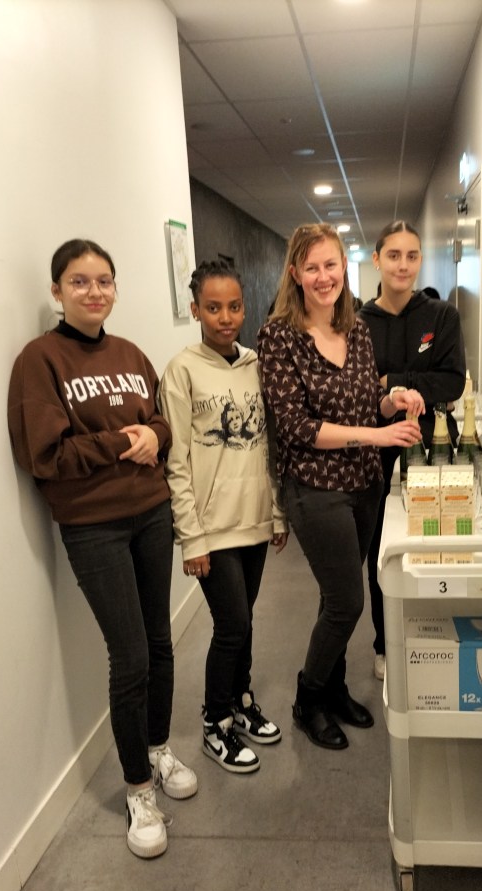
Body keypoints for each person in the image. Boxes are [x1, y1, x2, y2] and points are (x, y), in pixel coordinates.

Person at [7, 239, 196, 861]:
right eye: (80, 281)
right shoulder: (40, 360)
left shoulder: (130, 353)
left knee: (160, 641)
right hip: (94, 526)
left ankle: (159, 748)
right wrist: (121, 442)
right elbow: (44, 455)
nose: (95, 292)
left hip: (151, 512)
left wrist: (153, 434)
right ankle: (138, 789)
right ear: (56, 290)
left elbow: (162, 423)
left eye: (104, 281)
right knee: (131, 655)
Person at [257, 223, 424, 751]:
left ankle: (334, 688)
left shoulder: (357, 330)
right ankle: (308, 699)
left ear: (344, 267)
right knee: (347, 601)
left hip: (363, 484)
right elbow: (296, 426)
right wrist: (376, 435)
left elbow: (366, 401)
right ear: (295, 274)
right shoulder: (278, 337)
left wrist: (393, 401)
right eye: (312, 267)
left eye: (331, 265)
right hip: (315, 487)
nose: (323, 276)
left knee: (337, 594)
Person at [159, 260, 288, 774]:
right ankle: (215, 722)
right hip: (212, 528)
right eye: (213, 308)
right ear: (195, 310)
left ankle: (241, 700)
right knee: (232, 625)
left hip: (253, 517)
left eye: (234, 306)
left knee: (245, 620)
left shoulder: (256, 364)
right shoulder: (182, 370)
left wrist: (276, 512)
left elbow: (269, 445)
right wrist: (190, 538)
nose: (226, 317)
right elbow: (176, 461)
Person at [359, 221, 466, 682]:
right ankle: (385, 643)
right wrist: (394, 388)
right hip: (376, 450)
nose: (403, 265)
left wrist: (392, 380)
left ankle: (438, 633)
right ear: (377, 260)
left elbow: (452, 382)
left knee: (438, 543)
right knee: (383, 550)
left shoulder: (441, 317)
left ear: (420, 260)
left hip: (433, 446)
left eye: (412, 255)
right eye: (394, 255)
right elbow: (358, 392)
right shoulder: (358, 324)